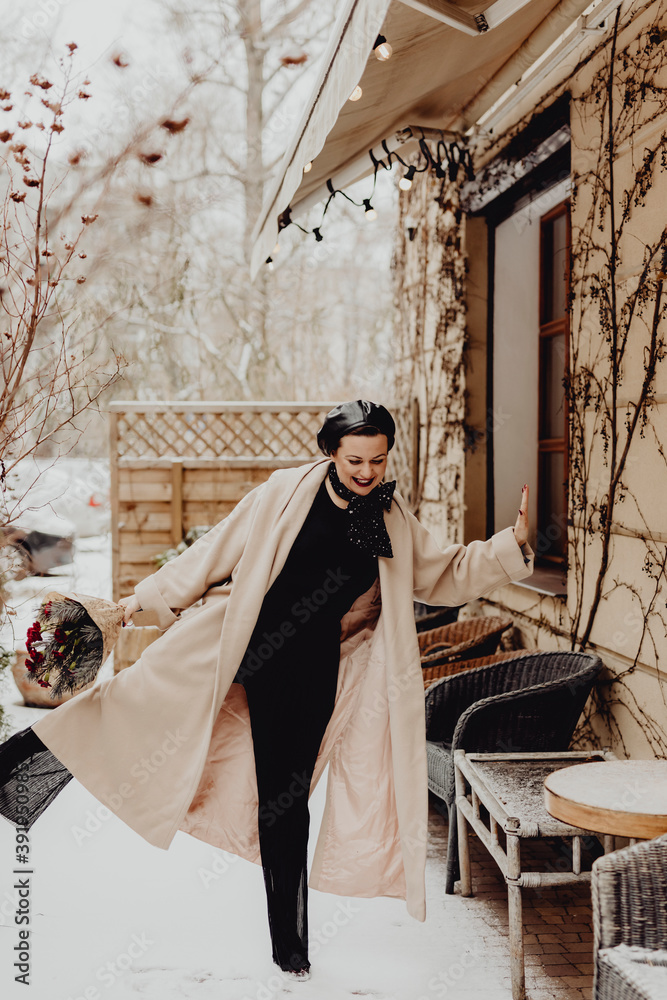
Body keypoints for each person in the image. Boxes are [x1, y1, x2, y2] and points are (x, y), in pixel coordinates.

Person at [0, 400, 533, 981]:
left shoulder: (390, 516)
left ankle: (291, 945)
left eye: (377, 461)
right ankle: (14, 766)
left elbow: (447, 571)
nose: (366, 472)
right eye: (355, 459)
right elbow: (213, 552)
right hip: (229, 644)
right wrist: (138, 603)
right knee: (127, 704)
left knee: (285, 801)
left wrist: (514, 545)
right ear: (331, 453)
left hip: (309, 672)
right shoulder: (284, 492)